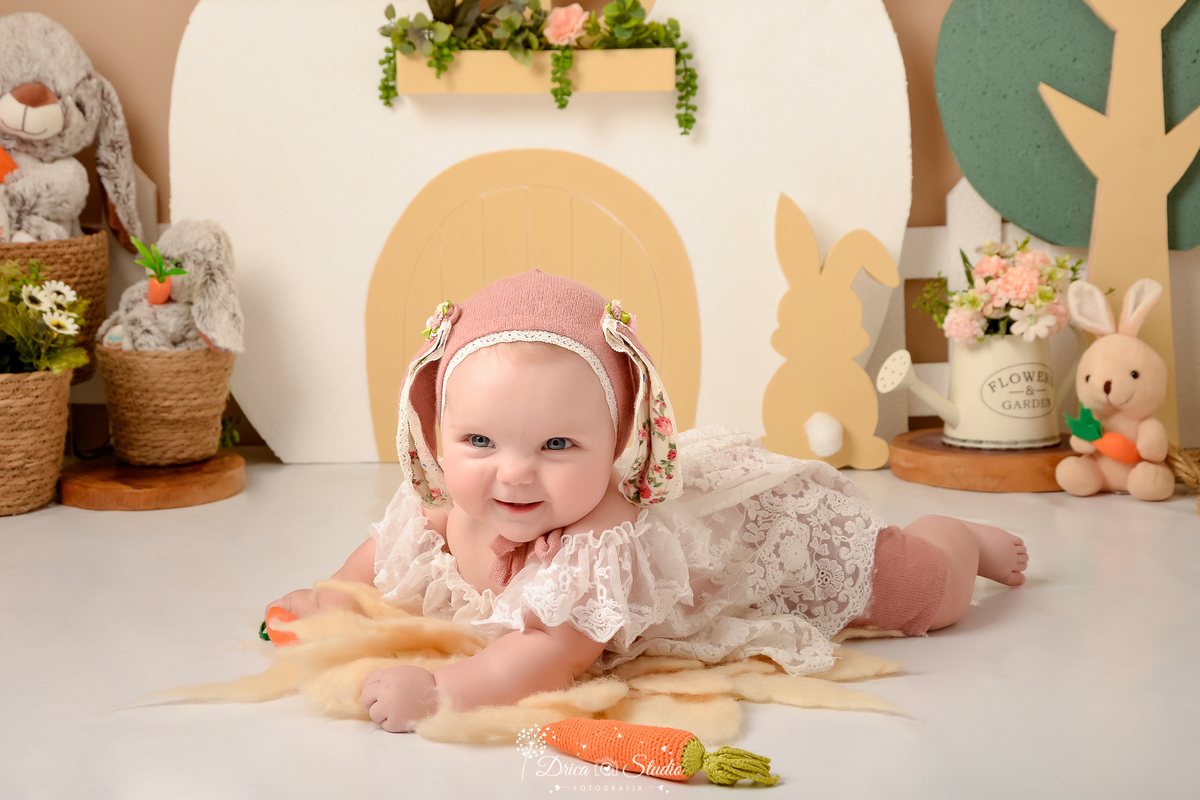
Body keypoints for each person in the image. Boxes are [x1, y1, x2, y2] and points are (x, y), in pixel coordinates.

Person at [267, 270, 1028, 732]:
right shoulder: (441, 498)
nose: (514, 476)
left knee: (924, 593)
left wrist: (440, 692)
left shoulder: (603, 541)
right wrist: (332, 597)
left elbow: (543, 658)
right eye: (479, 443)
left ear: (620, 442)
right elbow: (381, 551)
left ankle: (959, 538)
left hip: (764, 543)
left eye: (558, 446)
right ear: (438, 430)